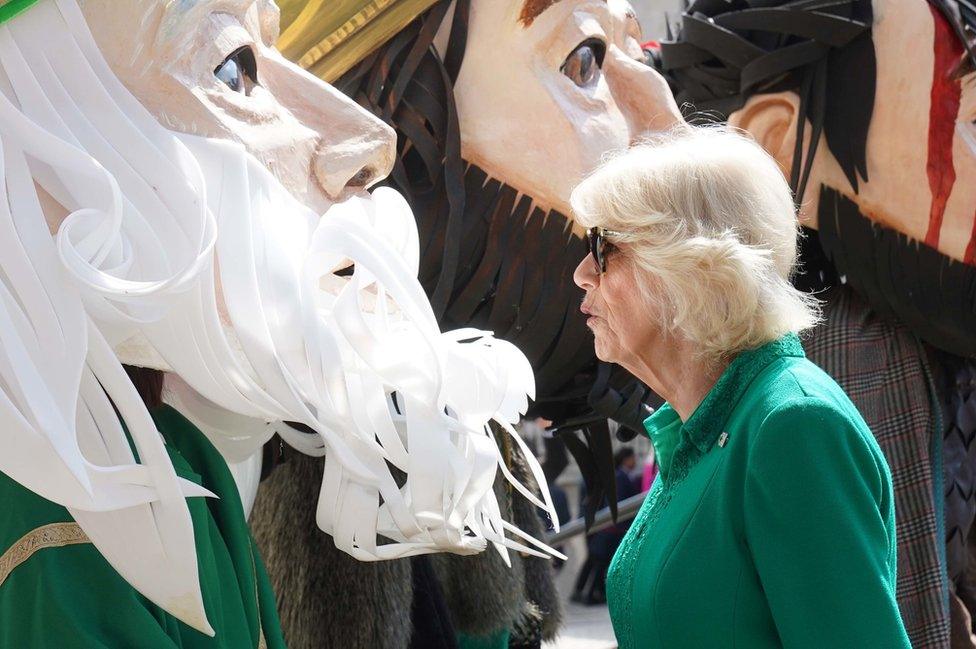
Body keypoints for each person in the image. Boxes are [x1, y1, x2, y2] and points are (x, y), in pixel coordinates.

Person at [571, 125, 911, 648]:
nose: (581, 272)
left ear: (690, 263)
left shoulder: (793, 424)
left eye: (603, 245)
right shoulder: (703, 425)